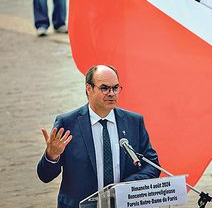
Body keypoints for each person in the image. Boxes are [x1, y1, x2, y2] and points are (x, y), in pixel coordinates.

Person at [37, 65, 161, 207]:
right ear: (89, 89)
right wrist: (52, 156)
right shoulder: (67, 123)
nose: (112, 93)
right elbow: (45, 176)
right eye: (104, 88)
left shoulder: (133, 121)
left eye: (115, 88)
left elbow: (152, 165)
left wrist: (125, 187)